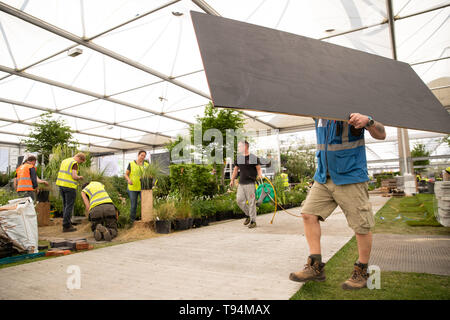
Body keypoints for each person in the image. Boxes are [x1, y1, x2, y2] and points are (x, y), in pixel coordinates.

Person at [289, 113, 386, 290]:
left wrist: (368, 122)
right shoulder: (317, 114)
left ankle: (362, 272)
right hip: (323, 176)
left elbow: (381, 134)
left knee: (361, 225)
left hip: (350, 176)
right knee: (308, 214)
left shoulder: (353, 109)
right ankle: (315, 267)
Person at [230, 140, 263, 229]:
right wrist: (232, 180)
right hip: (241, 183)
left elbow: (259, 168)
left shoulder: (253, 157)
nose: (238, 148)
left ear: (245, 147)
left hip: (250, 183)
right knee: (239, 200)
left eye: (240, 146)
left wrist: (260, 175)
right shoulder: (239, 158)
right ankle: (248, 214)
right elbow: (235, 170)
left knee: (251, 202)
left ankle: (253, 221)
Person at [56, 153, 86, 232]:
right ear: (79, 158)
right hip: (69, 186)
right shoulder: (74, 163)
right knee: (69, 206)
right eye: (81, 161)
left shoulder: (65, 161)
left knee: (65, 205)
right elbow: (74, 176)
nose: (80, 163)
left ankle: (67, 222)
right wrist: (80, 177)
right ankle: (66, 226)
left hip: (61, 185)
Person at [124, 150, 149, 224]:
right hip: (132, 188)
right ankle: (132, 222)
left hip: (143, 188)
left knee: (145, 204)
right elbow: (126, 174)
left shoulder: (146, 165)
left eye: (144, 156)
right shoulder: (131, 164)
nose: (143, 157)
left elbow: (149, 174)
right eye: (142, 155)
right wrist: (128, 180)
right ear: (138, 155)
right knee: (133, 205)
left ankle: (145, 220)